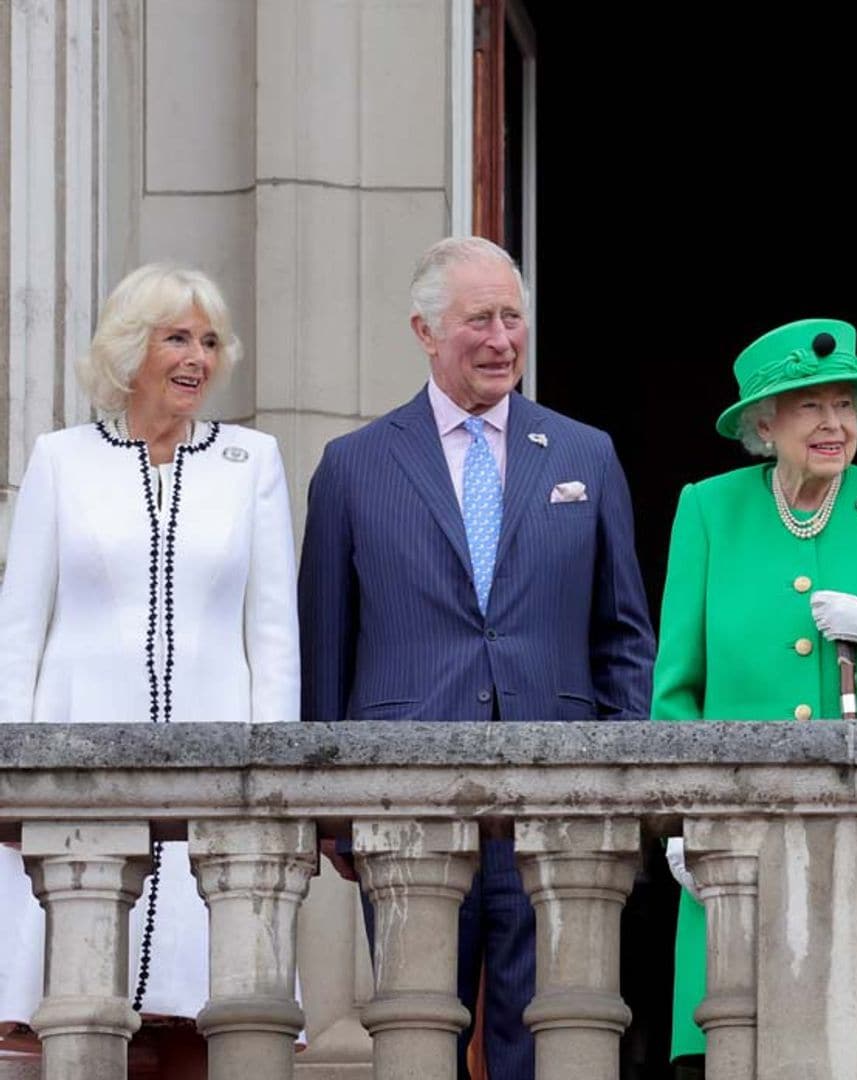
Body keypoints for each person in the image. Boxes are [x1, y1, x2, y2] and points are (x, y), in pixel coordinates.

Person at [297, 236, 656, 1079]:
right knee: (417, 1035)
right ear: (424, 331)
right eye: (478, 321)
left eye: (512, 317)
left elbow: (623, 635)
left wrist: (624, 776)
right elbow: (326, 648)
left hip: (556, 801)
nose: (501, 340)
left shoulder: (584, 454)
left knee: (548, 1036)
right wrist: (331, 804)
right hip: (407, 797)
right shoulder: (352, 468)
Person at [0, 263, 298, 1072]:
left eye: (209, 341)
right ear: (133, 351)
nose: (197, 357)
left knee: (206, 1017)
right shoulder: (61, 461)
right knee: (66, 1017)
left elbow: (273, 636)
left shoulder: (252, 460)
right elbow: (19, 633)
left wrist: (275, 786)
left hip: (216, 774)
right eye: (177, 338)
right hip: (76, 767)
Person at [652, 317, 857, 1074]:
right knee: (734, 1040)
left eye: (846, 406)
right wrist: (681, 818)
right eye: (810, 407)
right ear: (764, 424)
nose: (835, 425)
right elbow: (676, 690)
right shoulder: (706, 509)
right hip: (738, 841)